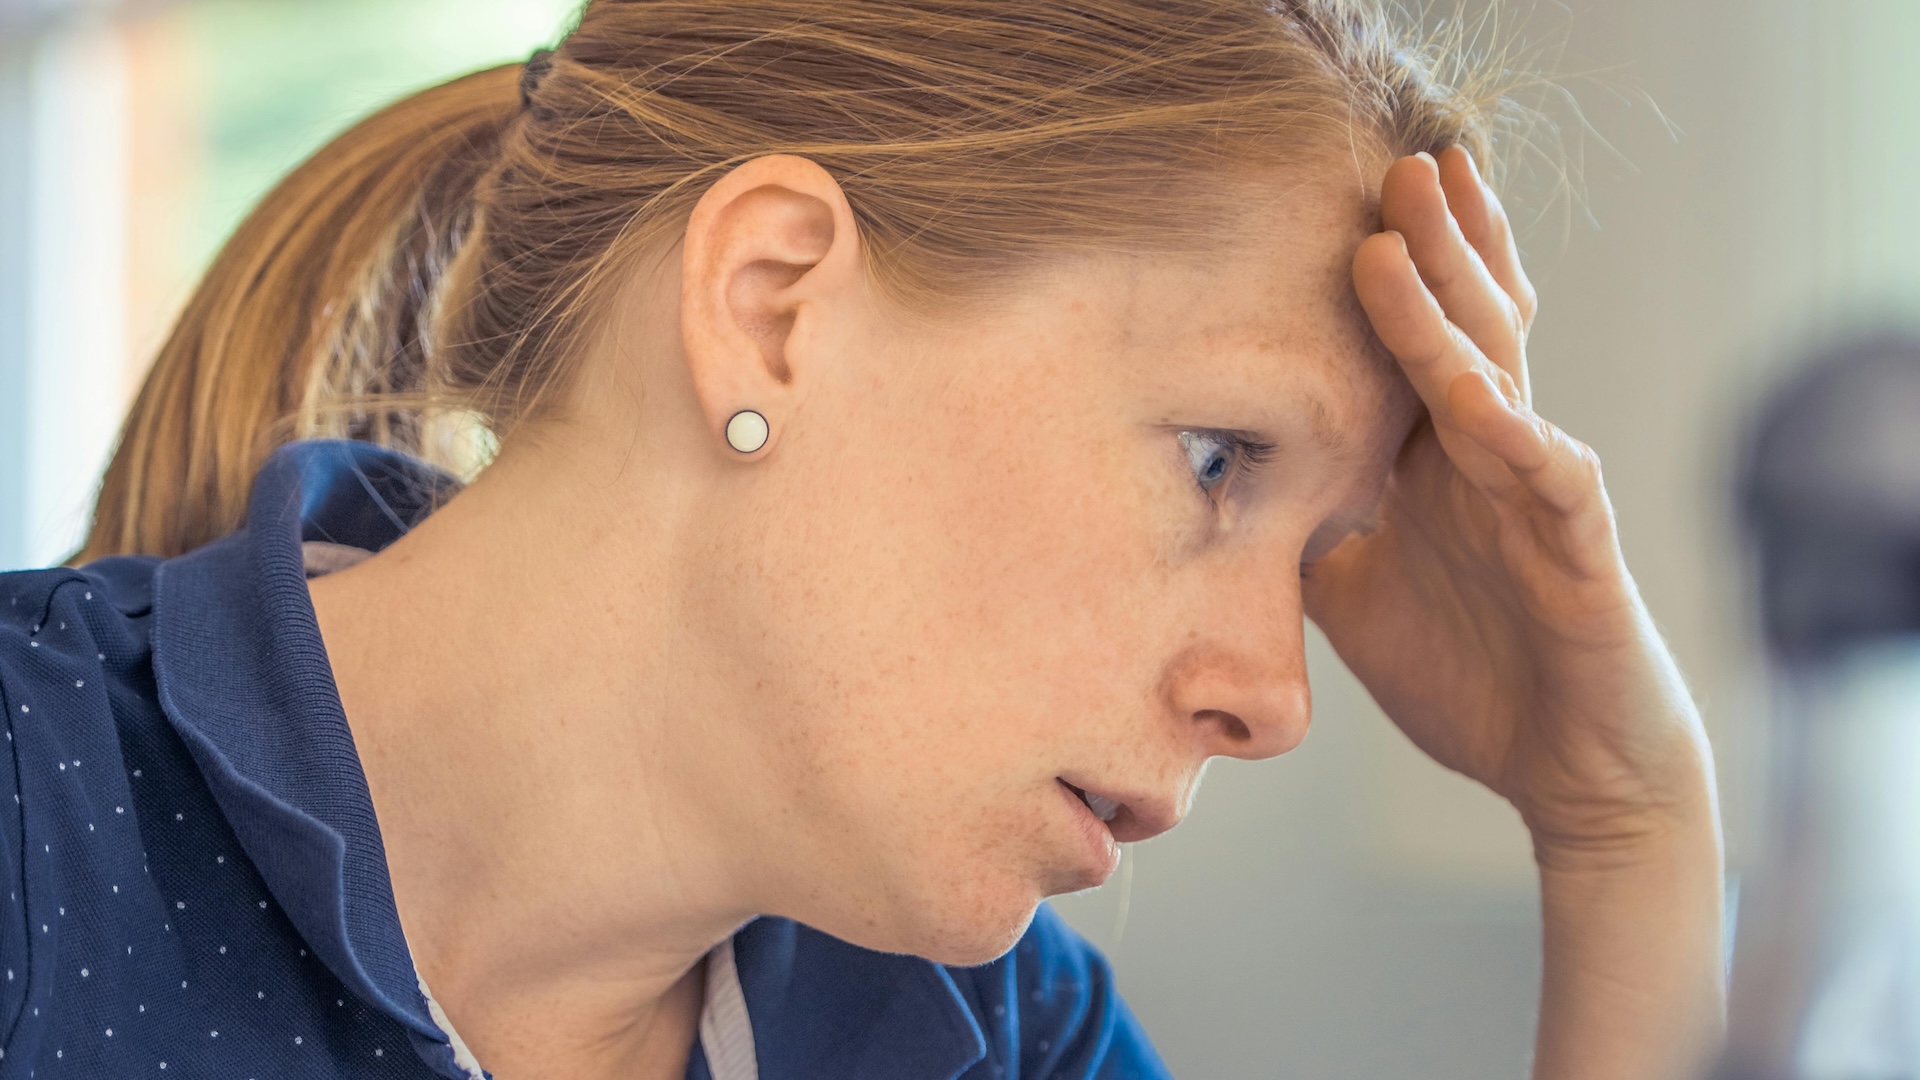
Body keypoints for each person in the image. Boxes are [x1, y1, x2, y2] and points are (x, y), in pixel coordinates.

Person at [0, 1, 1725, 1077]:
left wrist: (1624, 832)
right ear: (773, 308)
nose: (1274, 696)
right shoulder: (29, 815)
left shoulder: (991, 1037)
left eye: (1319, 547)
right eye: (1218, 461)